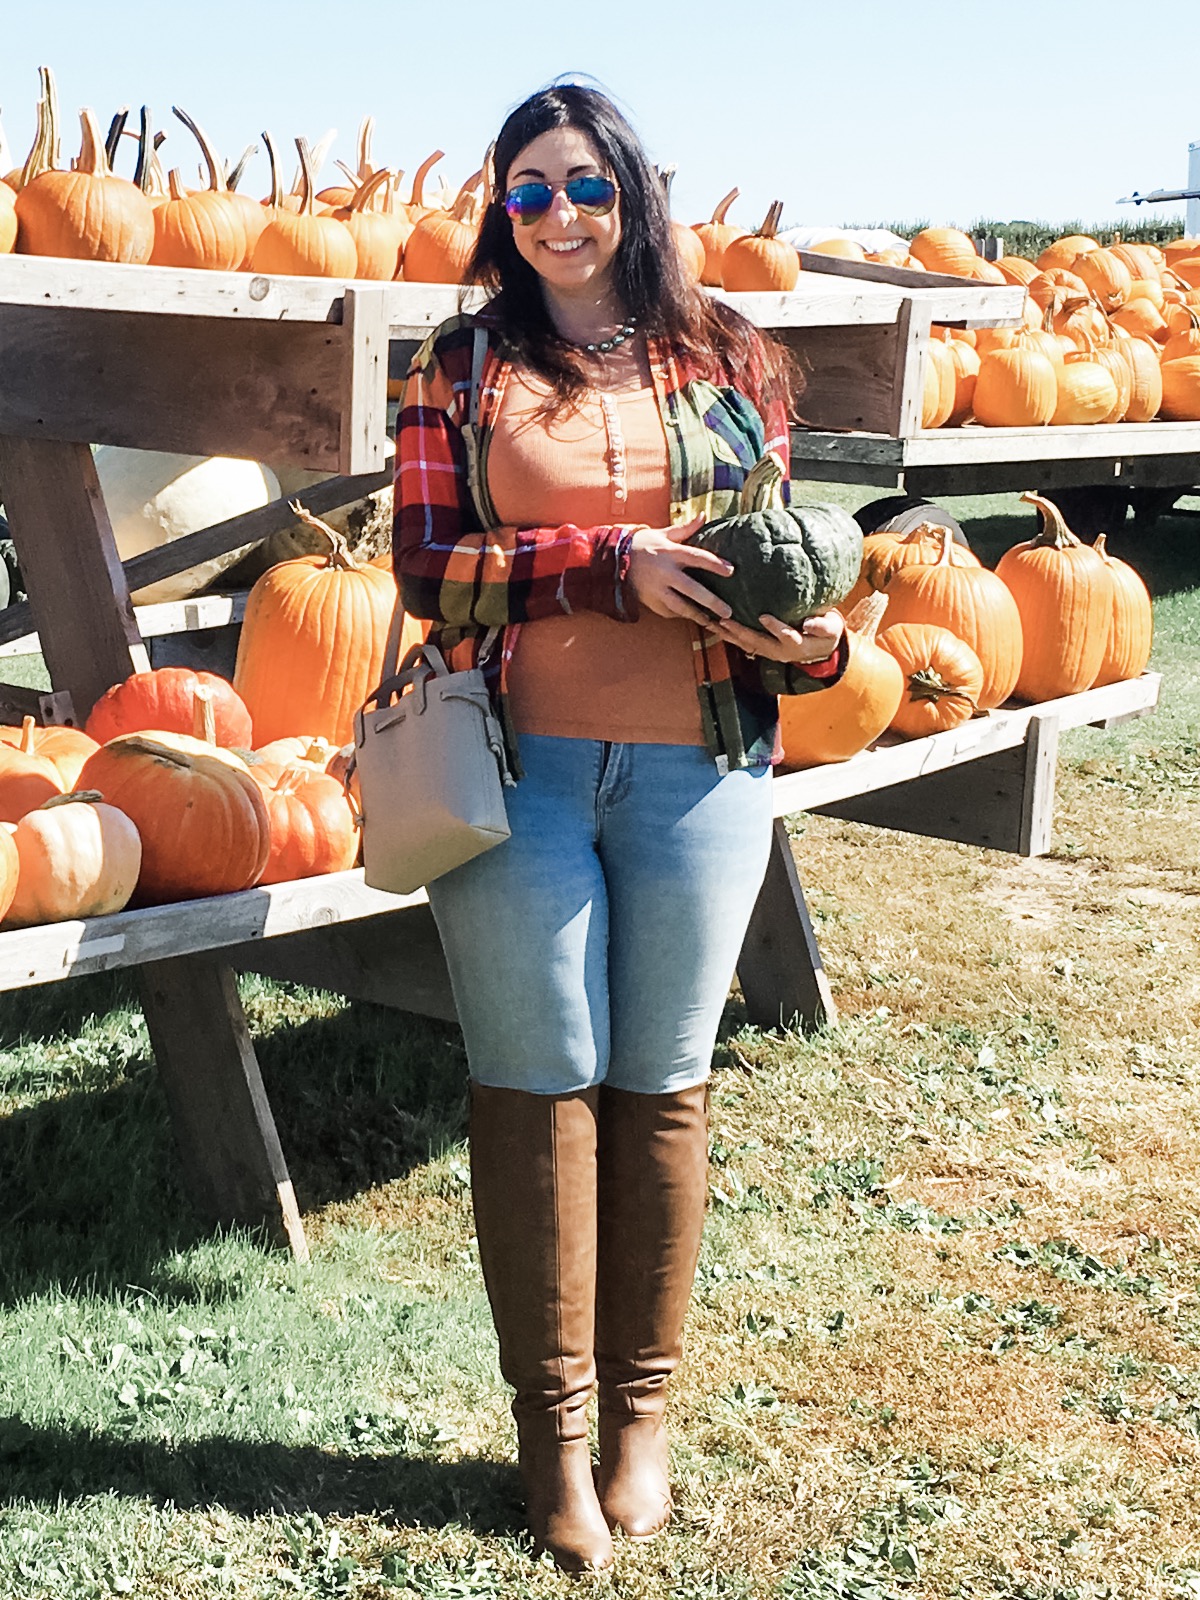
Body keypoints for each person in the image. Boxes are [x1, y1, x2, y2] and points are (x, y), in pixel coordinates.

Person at [393, 82, 847, 1573]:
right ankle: (554, 1439)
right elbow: (425, 567)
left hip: (700, 769)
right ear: (499, 212)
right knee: (536, 1083)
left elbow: (786, 554)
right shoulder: (458, 366)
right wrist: (606, 561)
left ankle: (642, 1419)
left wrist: (818, 651)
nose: (559, 216)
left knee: (663, 1084)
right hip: (515, 765)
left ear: (633, 195)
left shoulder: (729, 356)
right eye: (526, 192)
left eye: (585, 185)